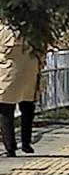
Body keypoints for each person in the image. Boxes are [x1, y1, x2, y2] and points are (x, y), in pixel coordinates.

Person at [0, 22, 40, 157]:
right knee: (28, 109)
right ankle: (26, 143)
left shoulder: (2, 30)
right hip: (29, 75)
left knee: (6, 112)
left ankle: (10, 146)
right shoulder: (33, 31)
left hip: (7, 76)